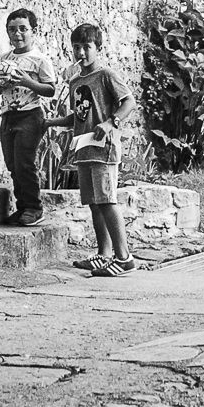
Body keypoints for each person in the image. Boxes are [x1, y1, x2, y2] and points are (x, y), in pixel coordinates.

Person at [47, 23, 139, 277]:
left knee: (107, 201)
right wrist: (50, 122)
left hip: (104, 150)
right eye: (76, 47)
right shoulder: (76, 81)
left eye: (87, 47)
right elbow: (77, 116)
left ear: (97, 48)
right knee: (94, 204)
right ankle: (104, 254)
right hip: (83, 149)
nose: (81, 53)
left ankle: (125, 258)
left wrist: (112, 123)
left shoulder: (106, 75)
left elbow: (129, 101)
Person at [0, 8, 59, 226]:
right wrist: (0, 83)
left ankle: (34, 208)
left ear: (33, 31)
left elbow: (50, 90)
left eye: (23, 29)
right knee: (12, 164)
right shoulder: (4, 58)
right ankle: (22, 208)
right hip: (8, 115)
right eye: (12, 30)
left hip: (30, 116)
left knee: (25, 164)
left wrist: (26, 82)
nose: (17, 34)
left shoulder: (39, 60)